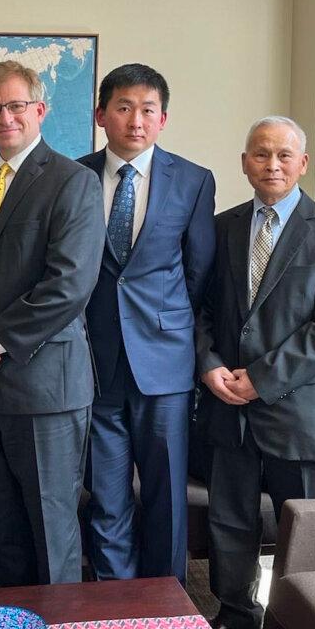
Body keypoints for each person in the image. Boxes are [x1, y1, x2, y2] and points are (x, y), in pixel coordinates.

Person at [196, 118, 315, 629]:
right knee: (230, 521)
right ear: (244, 162)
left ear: (303, 163)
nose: (272, 164)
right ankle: (237, 613)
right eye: (261, 154)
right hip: (228, 405)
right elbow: (204, 310)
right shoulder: (221, 228)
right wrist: (210, 364)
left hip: (305, 409)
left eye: (284, 155)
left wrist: (261, 378)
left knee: (306, 531)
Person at [0, 60, 105, 587]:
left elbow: (69, 284)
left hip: (45, 389)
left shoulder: (73, 183)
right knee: (2, 529)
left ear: (39, 110)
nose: (5, 116)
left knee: (52, 532)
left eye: (15, 106)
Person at [79, 63, 215, 583]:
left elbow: (198, 272)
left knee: (166, 498)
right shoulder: (73, 177)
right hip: (94, 364)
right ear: (101, 115)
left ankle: (167, 609)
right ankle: (116, 611)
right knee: (107, 499)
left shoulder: (194, 180)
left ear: (163, 119)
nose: (136, 120)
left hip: (165, 365)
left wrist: (172, 332)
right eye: (123, 107)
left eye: (148, 110)